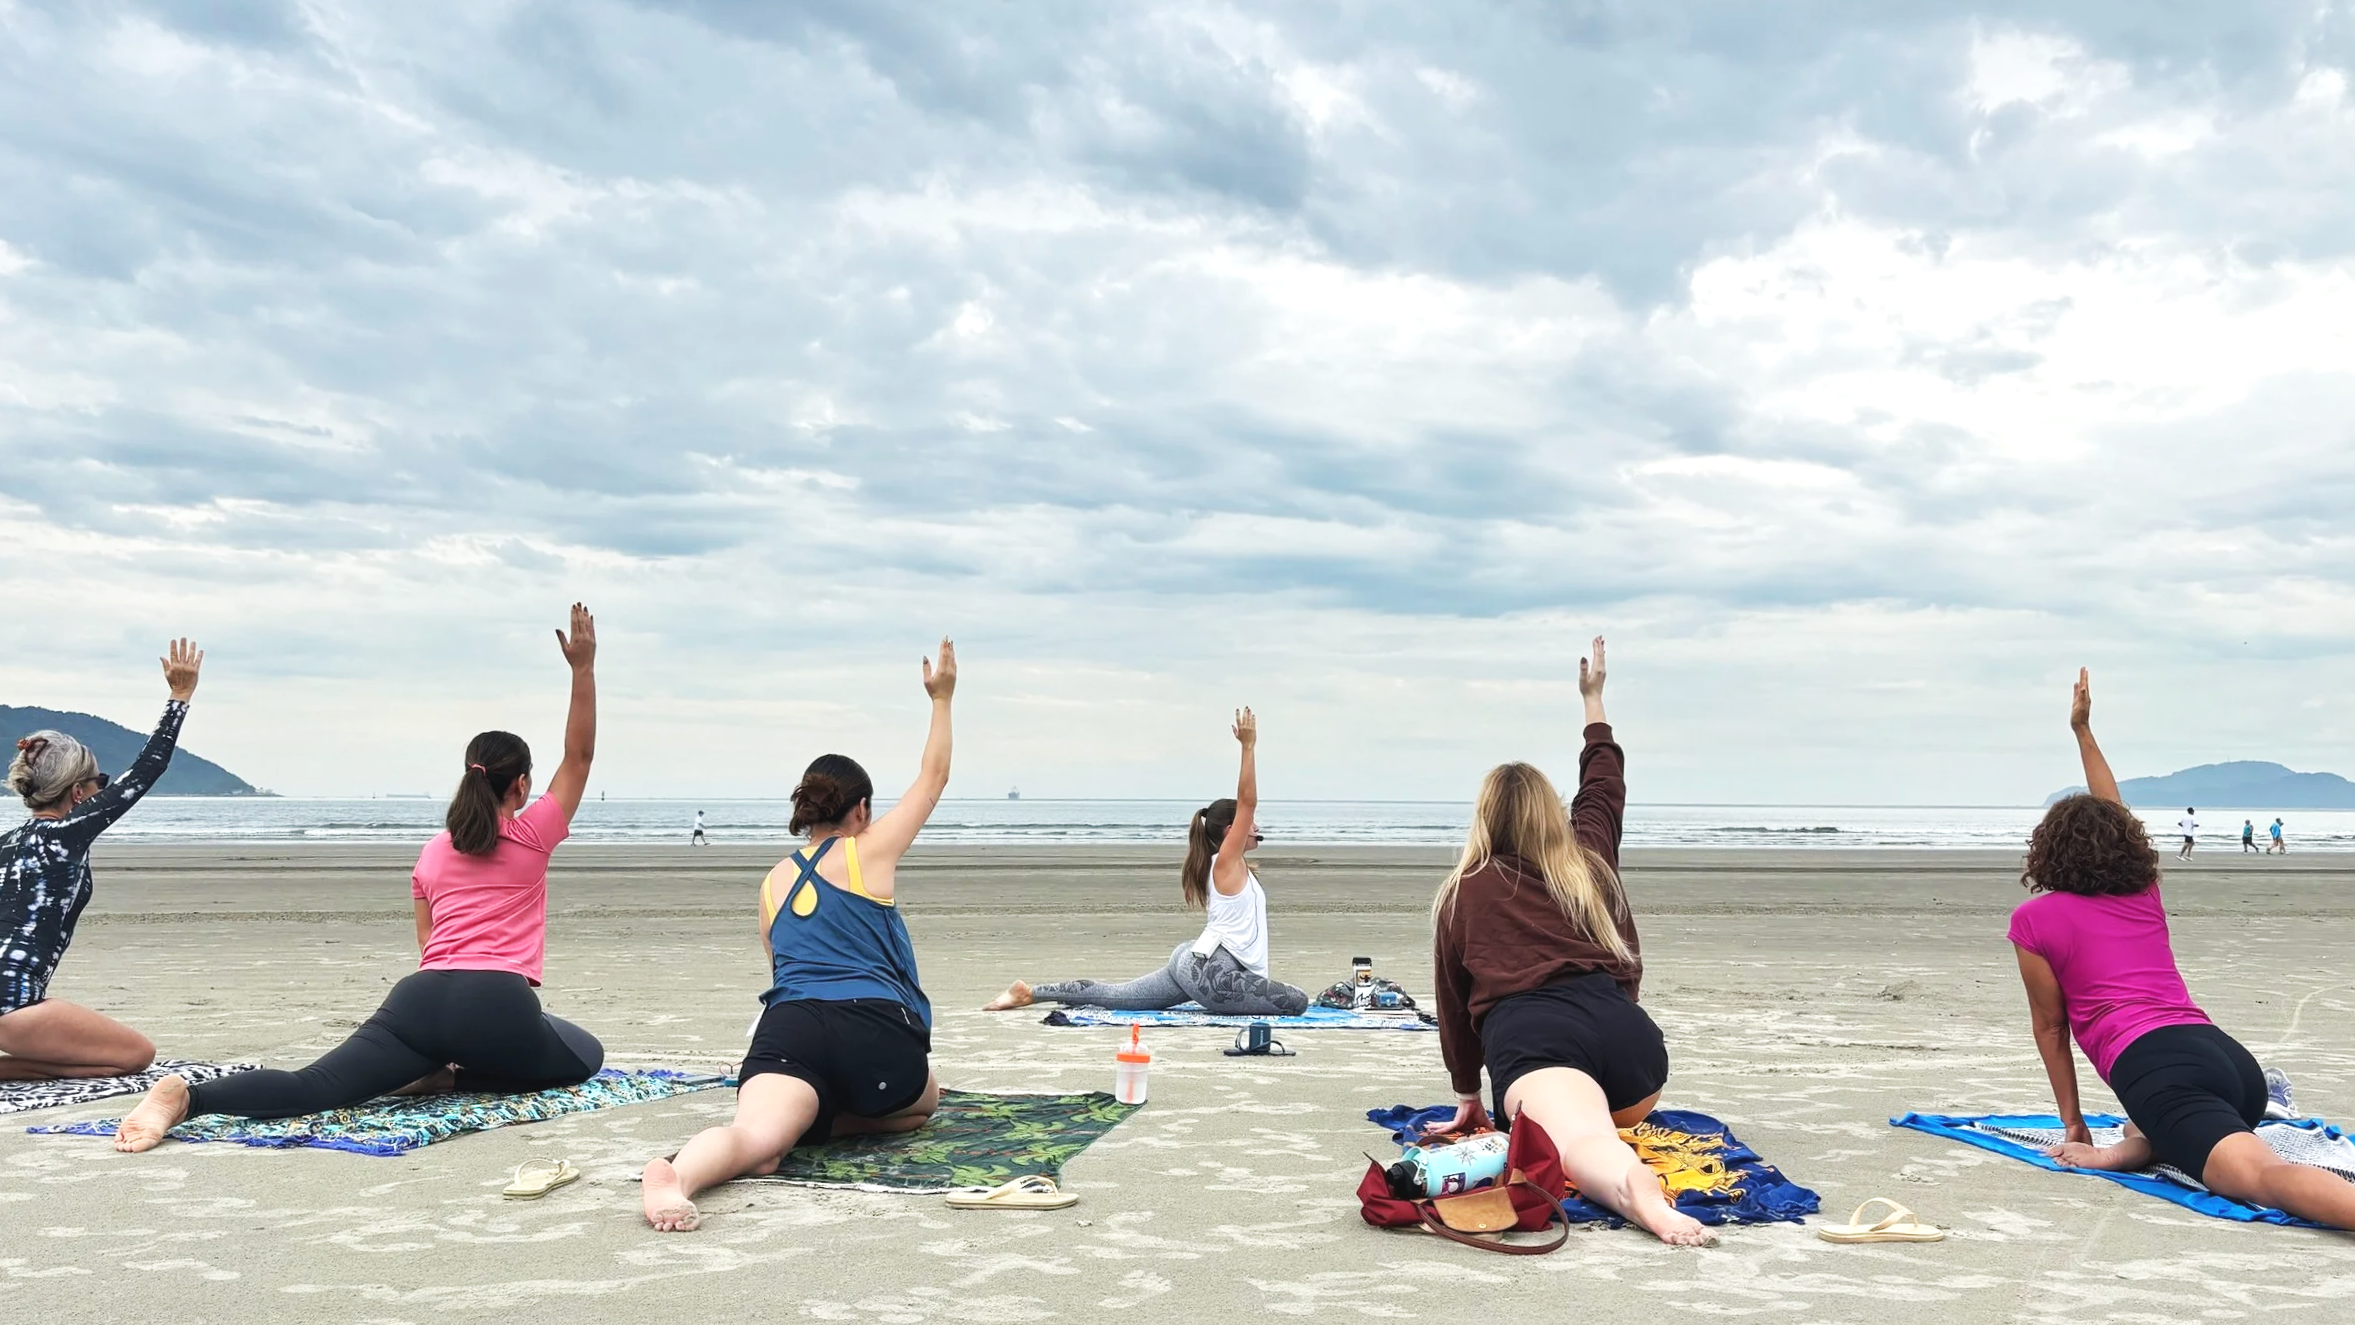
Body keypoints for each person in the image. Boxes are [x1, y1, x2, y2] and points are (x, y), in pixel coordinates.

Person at [114, 606, 605, 1150]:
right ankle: (450, 1077)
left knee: (316, 1085)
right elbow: (578, 756)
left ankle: (189, 1098)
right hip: (498, 1001)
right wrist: (582, 668)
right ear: (521, 786)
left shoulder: (434, 852)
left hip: (420, 999)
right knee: (583, 1058)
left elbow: (428, 942)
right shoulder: (532, 835)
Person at [2011, 670, 2355, 1227]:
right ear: (2126, 846)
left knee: (2264, 1182)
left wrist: (2072, 1123)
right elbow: (2113, 810)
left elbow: (2051, 1028)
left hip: (2159, 1068)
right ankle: (2138, 1145)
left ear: (2045, 851)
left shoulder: (2034, 921)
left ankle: (2142, 1141)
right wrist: (2084, 732)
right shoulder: (2140, 892)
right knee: (2152, 1127)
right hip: (2232, 1065)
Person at [642, 639, 958, 1233]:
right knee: (923, 1102)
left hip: (789, 1025)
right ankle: (829, 1114)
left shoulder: (773, 881)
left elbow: (778, 966)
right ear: (860, 809)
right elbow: (933, 776)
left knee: (754, 1139)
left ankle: (677, 1177)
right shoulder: (870, 852)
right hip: (872, 1025)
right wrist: (941, 699)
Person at [1422, 638, 1710, 1247]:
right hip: (1634, 1057)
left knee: (1582, 1142)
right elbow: (1604, 785)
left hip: (1538, 1043)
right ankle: (1620, 1163)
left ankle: (1646, 1202)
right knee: (1592, 1122)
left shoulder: (1463, 891)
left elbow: (1453, 1004)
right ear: (1550, 814)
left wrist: (1468, 1093)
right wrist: (1593, 701)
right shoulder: (1586, 861)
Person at [980, 709, 1311, 1019]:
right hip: (1211, 969)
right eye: (1249, 824)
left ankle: (1030, 993)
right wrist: (1248, 747)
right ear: (1231, 831)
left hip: (1194, 959)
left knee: (1119, 996)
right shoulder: (1225, 861)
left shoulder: (1236, 869)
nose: (1256, 827)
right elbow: (1248, 802)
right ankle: (1032, 993)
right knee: (1296, 1001)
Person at [0, 640, 204, 1080]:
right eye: (99, 783)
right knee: (134, 1057)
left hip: (12, 1007)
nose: (102, 791)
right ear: (78, 792)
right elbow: (146, 769)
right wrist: (179, 699)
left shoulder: (7, 843)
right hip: (12, 1008)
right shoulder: (63, 835)